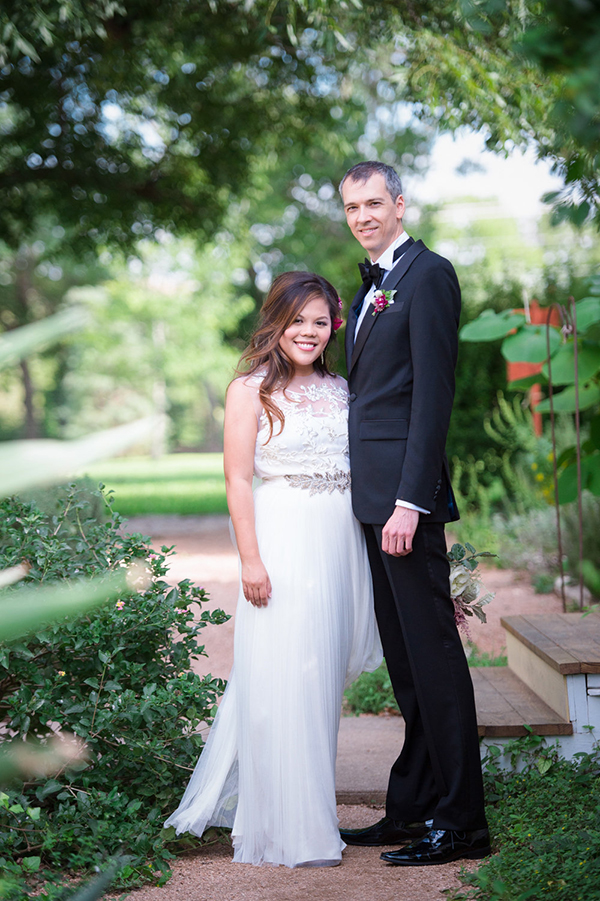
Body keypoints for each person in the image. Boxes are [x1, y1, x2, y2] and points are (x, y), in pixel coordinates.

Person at [164, 270, 382, 868]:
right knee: (288, 676)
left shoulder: (343, 387)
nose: (308, 332)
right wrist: (251, 560)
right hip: (283, 536)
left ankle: (312, 807)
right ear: (276, 322)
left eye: (320, 321)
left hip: (339, 541)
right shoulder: (249, 389)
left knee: (320, 681)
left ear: (332, 327)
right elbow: (237, 478)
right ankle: (290, 827)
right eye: (298, 320)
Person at [338, 161, 490, 866]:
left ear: (400, 203)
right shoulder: (369, 287)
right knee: (406, 663)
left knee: (433, 658)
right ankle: (414, 805)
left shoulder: (429, 275)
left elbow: (431, 399)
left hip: (405, 504)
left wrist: (410, 500)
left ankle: (461, 819)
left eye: (373, 202)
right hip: (370, 502)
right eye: (351, 206)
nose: (362, 214)